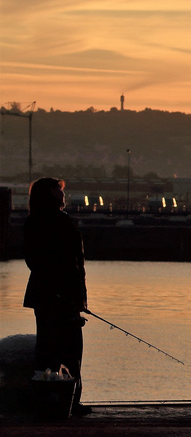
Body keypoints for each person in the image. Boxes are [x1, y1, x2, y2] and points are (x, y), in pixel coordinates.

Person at [23, 177, 91, 416]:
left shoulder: (38, 221)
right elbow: (41, 261)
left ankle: (62, 399)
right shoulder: (48, 222)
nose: (63, 194)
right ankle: (65, 400)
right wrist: (65, 292)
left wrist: (77, 297)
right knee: (65, 349)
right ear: (48, 194)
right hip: (56, 296)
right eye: (58, 190)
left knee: (54, 348)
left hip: (54, 296)